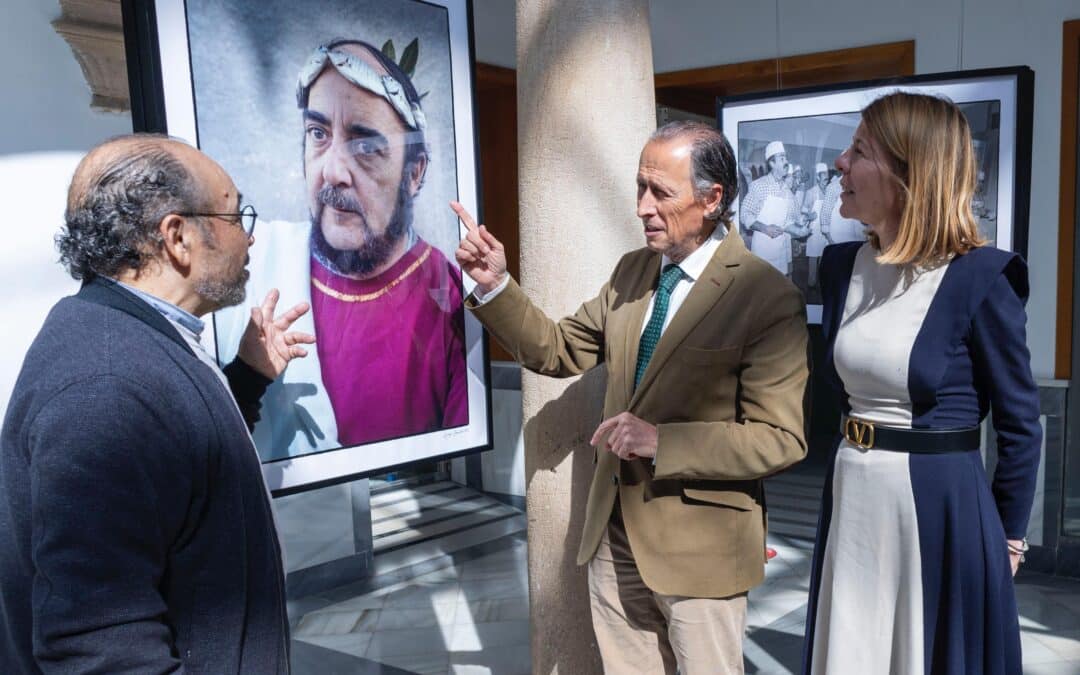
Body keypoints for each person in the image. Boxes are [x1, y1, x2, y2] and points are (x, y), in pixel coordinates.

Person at [453, 121, 809, 674]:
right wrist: (495, 286)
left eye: (660, 193)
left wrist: (661, 441)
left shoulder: (765, 296)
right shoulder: (633, 271)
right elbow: (558, 349)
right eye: (639, 188)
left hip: (701, 555)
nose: (642, 207)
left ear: (712, 199)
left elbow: (779, 439)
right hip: (614, 537)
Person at [0, 135, 314, 673]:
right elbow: (99, 648)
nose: (250, 239)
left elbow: (173, 459)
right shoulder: (103, 385)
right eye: (238, 215)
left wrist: (248, 377)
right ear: (178, 237)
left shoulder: (127, 338)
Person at [803, 92, 1041, 674]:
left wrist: (1008, 537)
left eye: (859, 150)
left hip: (940, 512)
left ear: (909, 171)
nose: (839, 163)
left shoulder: (982, 277)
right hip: (851, 491)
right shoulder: (839, 266)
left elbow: (1019, 423)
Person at [214, 39, 468, 459]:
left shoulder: (444, 287)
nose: (332, 172)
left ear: (414, 173)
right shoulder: (254, 261)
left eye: (366, 145)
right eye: (318, 133)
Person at [740, 140, 800, 275]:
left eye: (786, 158)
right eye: (782, 158)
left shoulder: (787, 189)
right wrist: (765, 228)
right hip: (763, 249)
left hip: (782, 249)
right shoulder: (759, 186)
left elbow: (791, 218)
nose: (786, 162)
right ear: (772, 163)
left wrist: (800, 223)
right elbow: (745, 214)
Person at [803, 163, 831, 288]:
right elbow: (803, 212)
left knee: (824, 260)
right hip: (814, 232)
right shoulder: (811, 192)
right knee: (813, 261)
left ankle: (821, 286)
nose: (826, 182)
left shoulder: (829, 192)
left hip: (826, 231)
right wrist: (810, 215)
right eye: (824, 179)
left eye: (827, 179)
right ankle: (811, 286)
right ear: (818, 178)